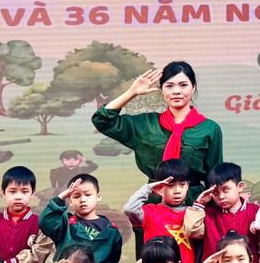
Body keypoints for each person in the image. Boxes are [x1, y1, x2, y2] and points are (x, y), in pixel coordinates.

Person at [93, 61, 225, 188]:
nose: (176, 91)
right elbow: (102, 120)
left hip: (193, 199)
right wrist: (131, 93)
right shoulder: (146, 124)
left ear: (193, 87)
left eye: (183, 85)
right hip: (155, 198)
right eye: (169, 86)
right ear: (161, 89)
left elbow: (214, 177)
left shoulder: (209, 128)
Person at [124, 158, 204, 263]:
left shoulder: (193, 214)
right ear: (160, 187)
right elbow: (129, 209)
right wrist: (148, 188)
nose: (177, 191)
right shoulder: (150, 212)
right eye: (171, 185)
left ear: (188, 185)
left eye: (182, 185)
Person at [196, 162, 260, 263]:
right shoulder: (207, 214)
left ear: (240, 186)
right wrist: (199, 204)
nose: (221, 196)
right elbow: (192, 232)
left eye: (225, 190)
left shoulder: (256, 212)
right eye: (216, 193)